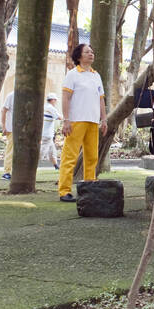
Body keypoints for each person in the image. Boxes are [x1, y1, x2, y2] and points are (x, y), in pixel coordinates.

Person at [57, 43, 109, 202]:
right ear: (79, 56)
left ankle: (89, 187)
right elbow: (65, 97)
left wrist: (104, 119)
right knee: (70, 156)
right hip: (76, 121)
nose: (91, 54)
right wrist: (66, 120)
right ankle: (64, 191)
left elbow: (101, 99)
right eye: (87, 52)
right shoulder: (72, 74)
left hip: (93, 122)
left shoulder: (96, 75)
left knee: (92, 157)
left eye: (92, 51)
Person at [40, 92, 61, 171]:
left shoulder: (45, 107)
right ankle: (30, 163)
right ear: (52, 100)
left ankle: (56, 166)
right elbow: (58, 117)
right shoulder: (51, 108)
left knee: (52, 151)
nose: (56, 102)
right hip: (47, 134)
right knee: (42, 152)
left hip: (47, 134)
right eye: (55, 100)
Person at [0, 89, 15, 178]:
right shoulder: (11, 95)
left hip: (21, 129)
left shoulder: (25, 95)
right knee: (10, 150)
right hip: (11, 128)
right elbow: (4, 111)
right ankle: (6, 172)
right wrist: (4, 127)